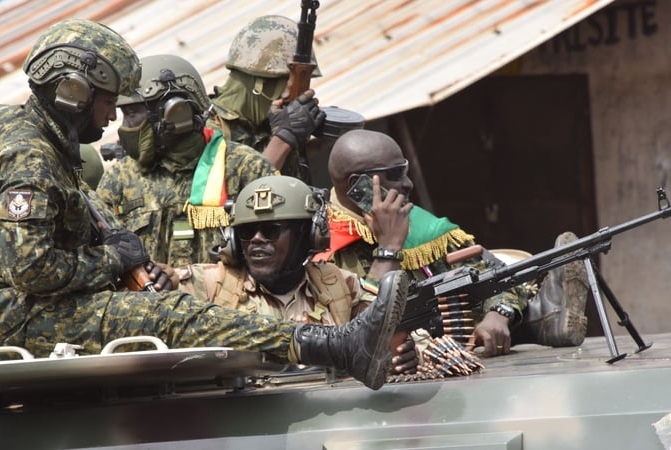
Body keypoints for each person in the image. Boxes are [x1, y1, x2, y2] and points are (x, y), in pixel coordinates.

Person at [0, 18, 410, 392]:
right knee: (174, 316)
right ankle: (335, 346)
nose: (113, 118)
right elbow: (33, 268)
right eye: (109, 100)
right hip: (9, 317)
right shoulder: (32, 156)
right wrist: (115, 255)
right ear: (71, 92)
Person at [318, 129, 589, 356]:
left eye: (406, 171)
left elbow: (497, 274)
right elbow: (358, 332)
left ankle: (542, 320)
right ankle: (541, 319)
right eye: (395, 174)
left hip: (459, 352)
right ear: (358, 184)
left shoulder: (419, 224)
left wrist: (499, 313)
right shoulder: (321, 243)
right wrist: (388, 249)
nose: (408, 183)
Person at [176, 175, 417, 374]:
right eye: (247, 231)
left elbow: (392, 336)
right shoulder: (206, 285)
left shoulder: (339, 286)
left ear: (308, 235)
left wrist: (404, 357)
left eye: (271, 231)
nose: (256, 240)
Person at [96, 54, 278, 268]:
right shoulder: (119, 180)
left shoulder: (247, 168)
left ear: (176, 112)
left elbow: (276, 254)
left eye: (133, 114)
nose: (125, 126)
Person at [207, 15, 325, 179]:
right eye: (292, 86)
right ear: (260, 84)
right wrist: (283, 139)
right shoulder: (204, 131)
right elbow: (245, 199)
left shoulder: (272, 125)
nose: (297, 98)